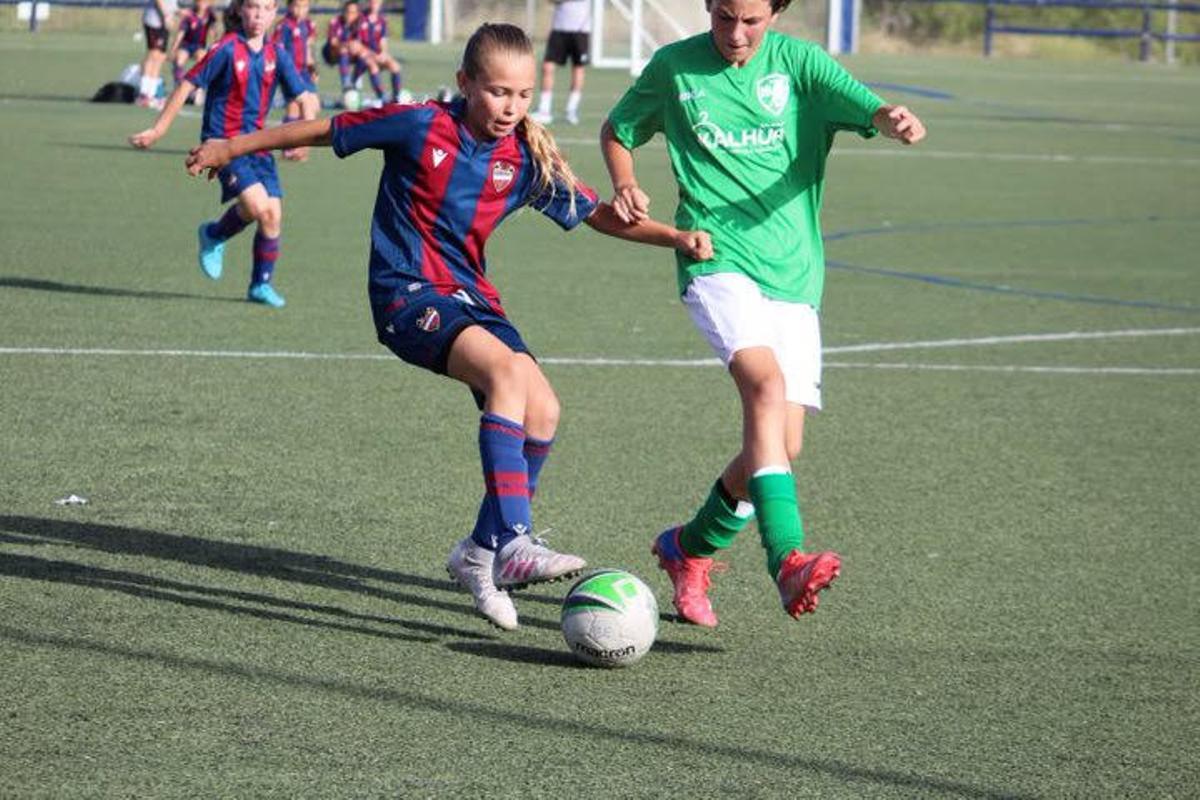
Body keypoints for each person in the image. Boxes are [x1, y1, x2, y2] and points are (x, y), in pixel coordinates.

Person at [185, 22, 714, 630]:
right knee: (506, 376)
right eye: (496, 92)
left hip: (471, 298)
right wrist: (231, 148)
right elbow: (323, 128)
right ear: (464, 83)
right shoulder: (420, 125)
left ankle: (478, 552)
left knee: (544, 410)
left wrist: (672, 236)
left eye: (520, 95)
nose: (510, 107)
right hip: (406, 294)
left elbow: (594, 214)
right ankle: (514, 541)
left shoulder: (524, 156)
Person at [600, 0, 926, 627]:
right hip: (714, 258)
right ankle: (787, 558)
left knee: (782, 443)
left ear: (776, 11)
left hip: (794, 272)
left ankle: (686, 550)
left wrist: (893, 119)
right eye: (724, 17)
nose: (736, 33)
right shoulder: (675, 67)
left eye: (751, 19)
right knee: (764, 385)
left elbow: (868, 107)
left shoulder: (799, 64)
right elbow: (620, 129)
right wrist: (625, 180)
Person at [129, 0, 320, 309]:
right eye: (252, 7)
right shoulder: (226, 48)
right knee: (258, 205)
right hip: (221, 144)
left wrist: (306, 139)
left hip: (257, 144)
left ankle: (259, 285)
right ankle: (215, 235)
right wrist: (158, 130)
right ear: (240, 11)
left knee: (272, 215)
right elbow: (185, 85)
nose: (258, 15)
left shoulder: (277, 55)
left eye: (266, 8)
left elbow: (305, 97)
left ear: (275, 14)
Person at [530, 0, 590, 125]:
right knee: (547, 66)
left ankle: (571, 110)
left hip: (580, 29)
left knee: (578, 68)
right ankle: (544, 110)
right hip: (559, 29)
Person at [273, 0, 319, 159]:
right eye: (297, 6)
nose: (301, 10)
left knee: (313, 106)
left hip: (305, 73)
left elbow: (308, 50)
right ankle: (290, 148)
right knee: (294, 108)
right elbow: (277, 51)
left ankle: (298, 145)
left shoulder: (309, 24)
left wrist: (313, 67)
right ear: (290, 6)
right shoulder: (284, 26)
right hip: (290, 72)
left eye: (305, 6)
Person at [322, 0, 372, 106]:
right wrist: (349, 45)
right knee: (343, 51)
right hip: (332, 53)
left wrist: (359, 47)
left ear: (358, 13)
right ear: (343, 12)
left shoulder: (362, 23)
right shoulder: (335, 22)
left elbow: (368, 46)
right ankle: (346, 84)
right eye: (348, 12)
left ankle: (354, 83)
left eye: (353, 12)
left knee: (364, 55)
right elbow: (332, 42)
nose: (350, 15)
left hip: (352, 53)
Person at [357, 0, 405, 105]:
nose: (374, 4)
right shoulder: (361, 19)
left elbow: (383, 41)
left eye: (377, 2)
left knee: (395, 66)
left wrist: (383, 53)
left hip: (378, 54)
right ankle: (382, 97)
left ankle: (396, 98)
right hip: (364, 55)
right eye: (372, 2)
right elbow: (357, 43)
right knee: (373, 66)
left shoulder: (382, 20)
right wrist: (372, 54)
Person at [169, 0, 217, 105]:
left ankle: (198, 90)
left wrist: (214, 45)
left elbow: (213, 32)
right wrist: (173, 49)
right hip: (186, 45)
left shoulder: (210, 15)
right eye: (200, 1)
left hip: (199, 46)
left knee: (202, 58)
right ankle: (179, 87)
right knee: (179, 59)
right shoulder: (189, 15)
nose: (202, 4)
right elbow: (180, 34)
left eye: (205, 2)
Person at [137, 0, 179, 108]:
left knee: (160, 57)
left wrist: (177, 13)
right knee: (153, 54)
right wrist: (166, 16)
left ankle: (152, 94)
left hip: (164, 23)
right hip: (155, 21)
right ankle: (144, 94)